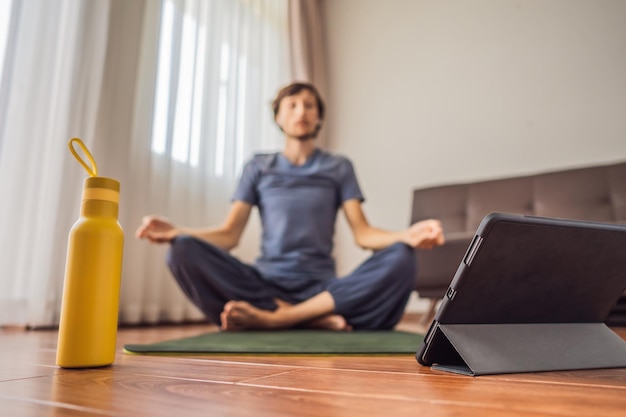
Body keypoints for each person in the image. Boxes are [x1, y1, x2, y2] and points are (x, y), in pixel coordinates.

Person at [136, 82, 445, 331]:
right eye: (292, 104)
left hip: (322, 289)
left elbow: (363, 234)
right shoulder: (257, 166)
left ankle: (280, 318)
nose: (302, 111)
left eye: (309, 105)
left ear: (319, 117)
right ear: (278, 117)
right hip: (266, 286)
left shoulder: (338, 167)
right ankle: (310, 318)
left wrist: (407, 235)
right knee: (181, 250)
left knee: (402, 257)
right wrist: (178, 231)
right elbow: (229, 235)